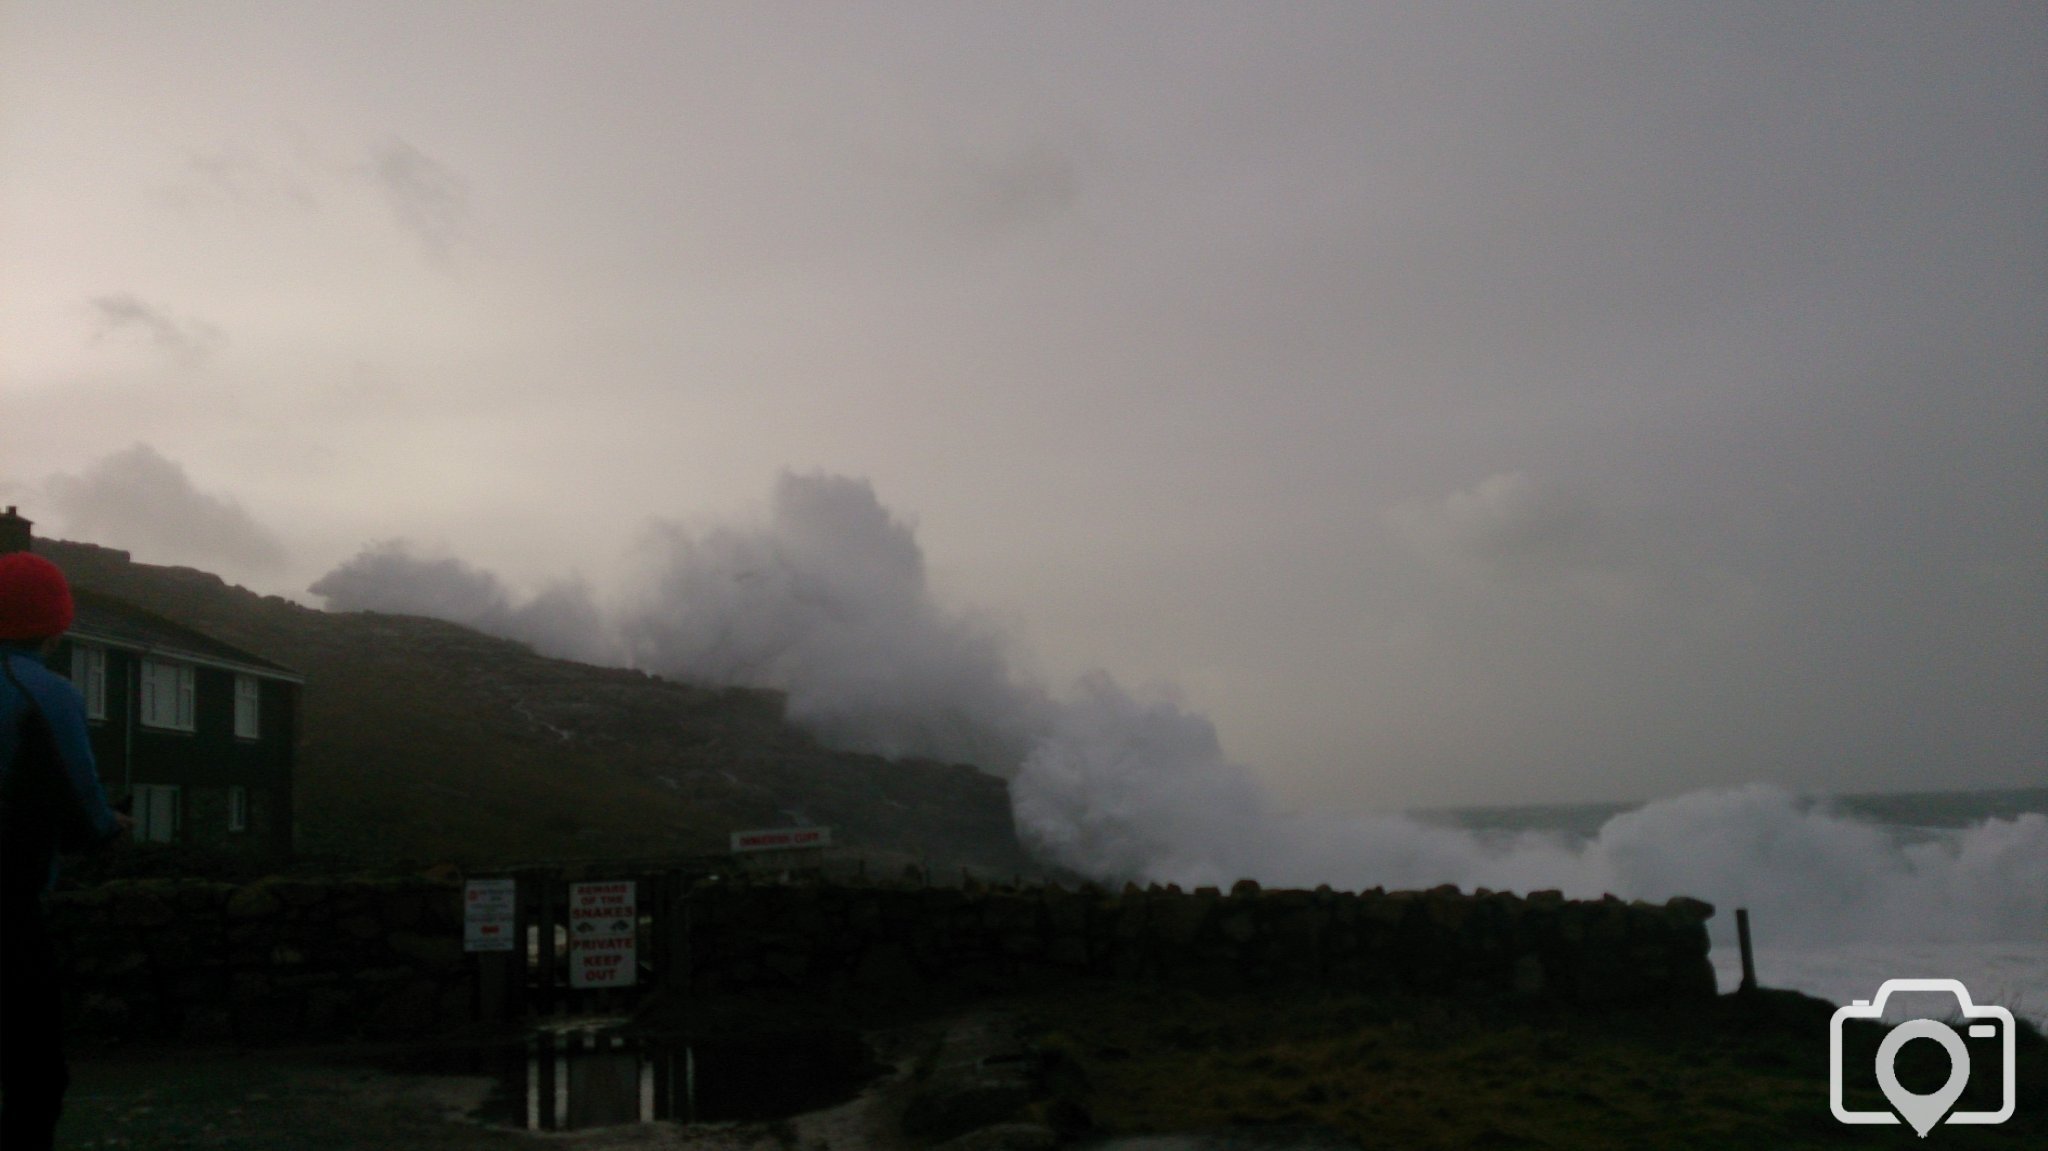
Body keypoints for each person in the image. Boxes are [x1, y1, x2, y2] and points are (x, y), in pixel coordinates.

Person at [0, 552, 127, 1151]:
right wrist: (111, 826)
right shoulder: (46, 694)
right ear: (56, 624)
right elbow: (84, 808)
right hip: (9, 905)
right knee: (34, 1070)